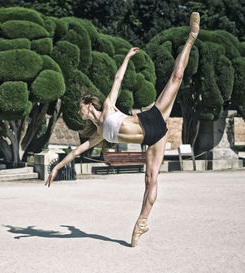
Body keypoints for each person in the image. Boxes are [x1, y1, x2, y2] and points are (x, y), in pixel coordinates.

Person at [46, 12, 200, 247]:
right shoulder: (99, 134)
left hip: (152, 118)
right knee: (150, 180)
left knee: (176, 77)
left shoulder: (108, 107)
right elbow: (77, 152)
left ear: (89, 105)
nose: (79, 112)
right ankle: (142, 222)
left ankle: (191, 37)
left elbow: (118, 79)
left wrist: (127, 57)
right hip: (154, 137)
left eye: (80, 108)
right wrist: (57, 167)